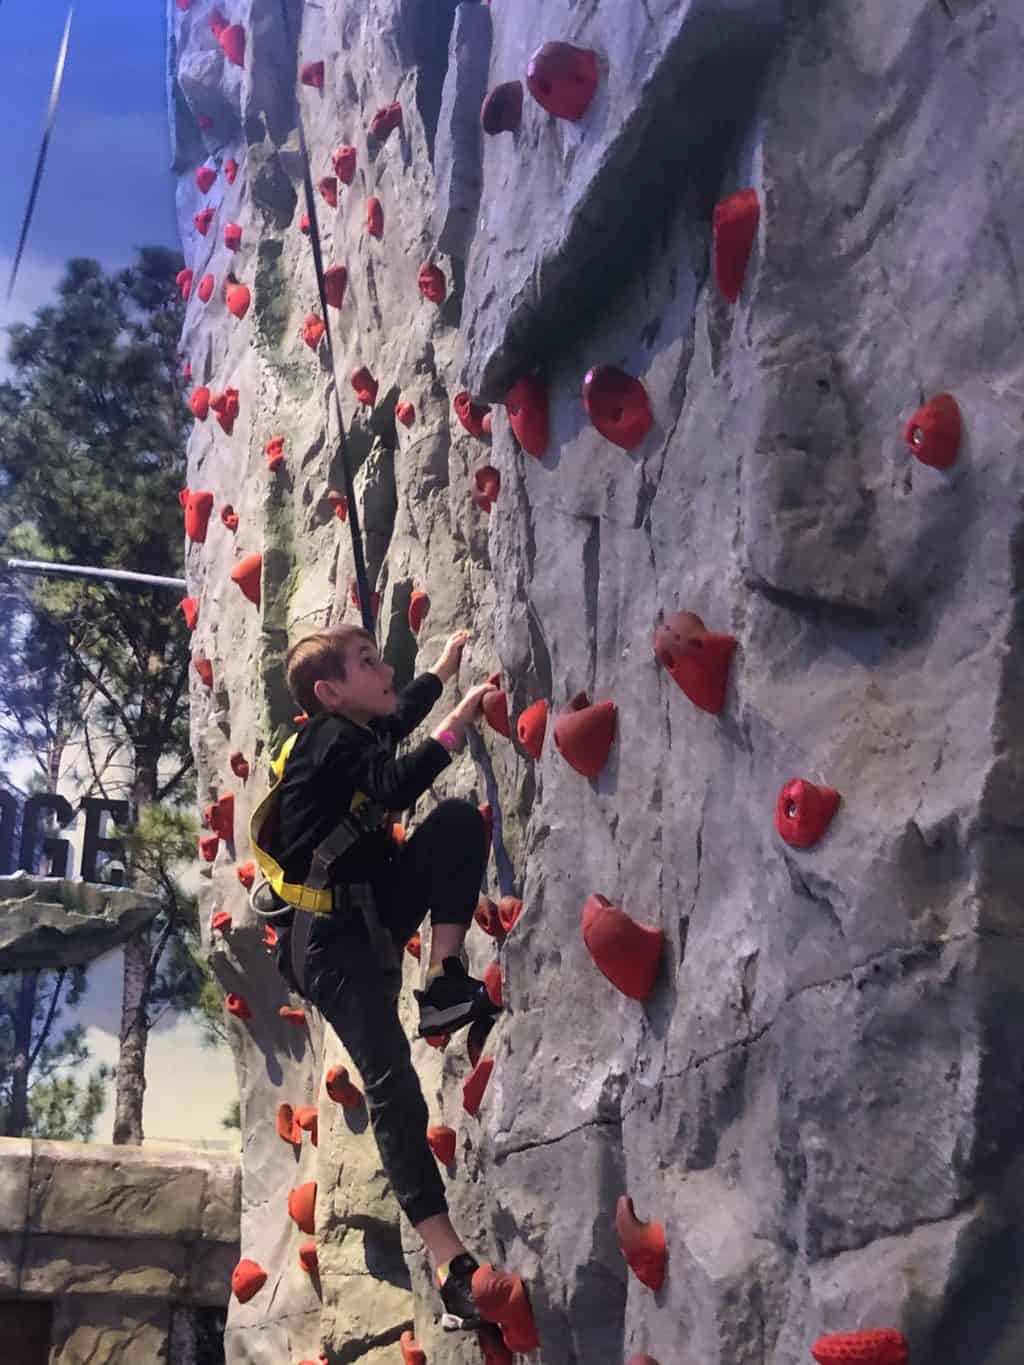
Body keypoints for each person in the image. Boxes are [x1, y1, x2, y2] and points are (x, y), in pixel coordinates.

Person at [267, 620, 500, 1330]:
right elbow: (399, 772)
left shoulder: (350, 732)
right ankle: (450, 1264)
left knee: (458, 823)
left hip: (366, 910)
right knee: (393, 1086)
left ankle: (443, 982)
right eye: (370, 661)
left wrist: (443, 665)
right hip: (329, 945)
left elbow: (397, 718)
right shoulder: (329, 739)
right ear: (330, 691)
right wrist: (459, 718)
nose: (385, 666)